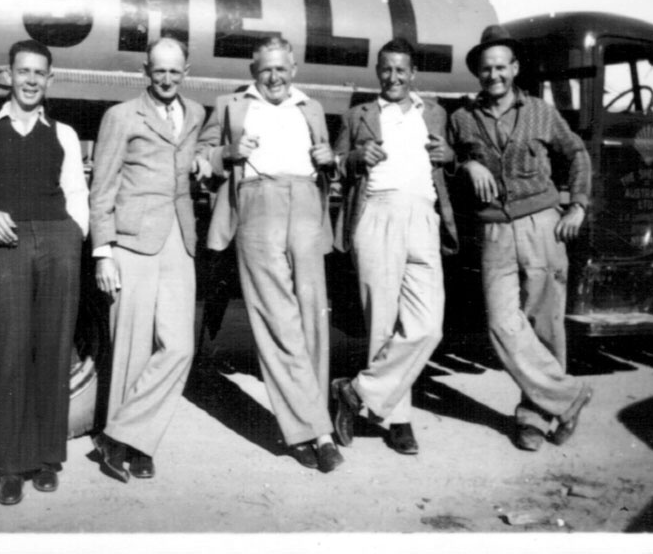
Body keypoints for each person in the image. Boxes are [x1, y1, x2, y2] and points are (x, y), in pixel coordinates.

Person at [0, 39, 88, 505]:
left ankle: (47, 460)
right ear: (9, 74)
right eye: (22, 71)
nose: (29, 80)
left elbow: (77, 194)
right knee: (6, 350)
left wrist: (71, 238)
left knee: (52, 349)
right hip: (3, 245)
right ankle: (10, 466)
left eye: (38, 73)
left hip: (57, 243)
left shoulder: (62, 133)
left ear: (49, 78)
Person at [196, 35, 344, 473]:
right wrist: (226, 153)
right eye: (266, 70)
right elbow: (202, 155)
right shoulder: (230, 105)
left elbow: (328, 162)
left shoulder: (310, 107)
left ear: (293, 68)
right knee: (276, 318)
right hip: (258, 203)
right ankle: (314, 431)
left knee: (313, 316)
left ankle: (310, 418)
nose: (274, 77)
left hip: (306, 206)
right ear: (252, 72)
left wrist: (329, 158)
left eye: (281, 68)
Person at [448, 24, 593, 451]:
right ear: (478, 73)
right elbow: (447, 159)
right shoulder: (462, 118)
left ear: (515, 68)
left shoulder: (541, 113)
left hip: (541, 225)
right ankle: (568, 397)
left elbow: (577, 153)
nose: (493, 76)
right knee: (501, 324)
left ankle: (533, 416)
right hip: (494, 230)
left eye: (501, 67)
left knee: (543, 322)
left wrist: (578, 205)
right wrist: (465, 165)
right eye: (485, 69)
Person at [330, 38, 457, 456]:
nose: (394, 78)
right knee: (382, 324)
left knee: (427, 325)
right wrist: (354, 158)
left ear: (413, 73)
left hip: (423, 216)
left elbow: (451, 160)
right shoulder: (359, 114)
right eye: (386, 70)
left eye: (401, 70)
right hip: (376, 213)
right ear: (377, 71)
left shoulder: (435, 112)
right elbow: (336, 160)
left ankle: (356, 390)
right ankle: (398, 420)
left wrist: (451, 155)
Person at [88, 37, 208, 483]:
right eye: (159, 71)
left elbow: (194, 154)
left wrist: (204, 161)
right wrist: (104, 252)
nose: (167, 79)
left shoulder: (195, 113)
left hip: (179, 236)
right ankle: (135, 445)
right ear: (145, 71)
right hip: (132, 239)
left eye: (175, 72)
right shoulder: (121, 117)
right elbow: (102, 187)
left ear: (186, 72)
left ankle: (118, 435)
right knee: (131, 348)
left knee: (179, 346)